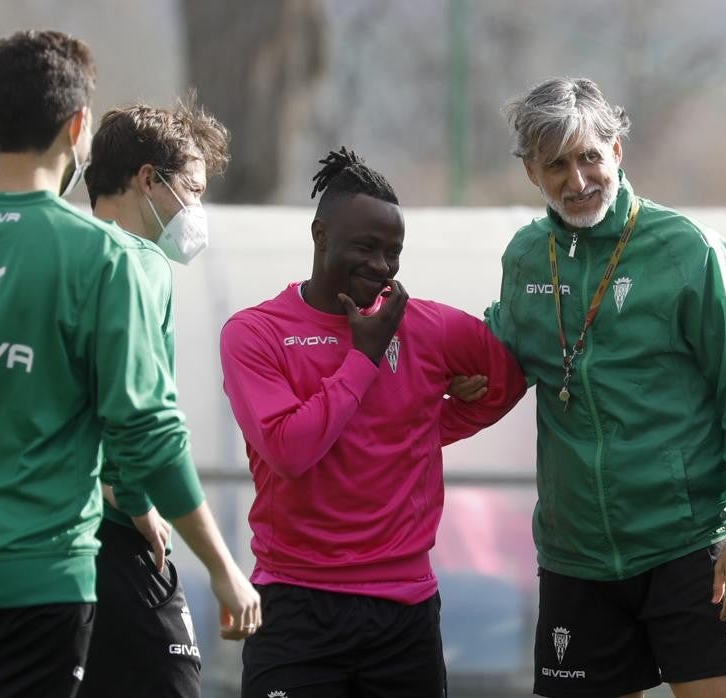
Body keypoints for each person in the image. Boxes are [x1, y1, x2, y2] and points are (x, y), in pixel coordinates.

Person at [0, 31, 258, 698]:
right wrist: (222, 566)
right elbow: (147, 431)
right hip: (41, 573)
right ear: (78, 126)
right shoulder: (107, 258)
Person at [486, 77, 726, 698]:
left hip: (688, 547)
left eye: (589, 157)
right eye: (556, 164)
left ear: (617, 151)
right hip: (574, 557)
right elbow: (495, 353)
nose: (577, 182)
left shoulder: (687, 249)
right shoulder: (525, 258)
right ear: (531, 171)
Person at [220, 147, 528, 697]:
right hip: (295, 607)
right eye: (366, 247)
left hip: (403, 613)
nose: (382, 266)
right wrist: (362, 359)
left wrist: (424, 427)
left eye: (394, 252)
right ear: (320, 236)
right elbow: (289, 450)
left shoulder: (427, 326)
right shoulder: (255, 333)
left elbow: (504, 379)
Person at [78, 97, 237, 698]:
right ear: (148, 180)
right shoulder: (141, 262)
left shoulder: (56, 253)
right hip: (119, 531)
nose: (196, 210)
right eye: (192, 191)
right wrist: (136, 497)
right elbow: (142, 415)